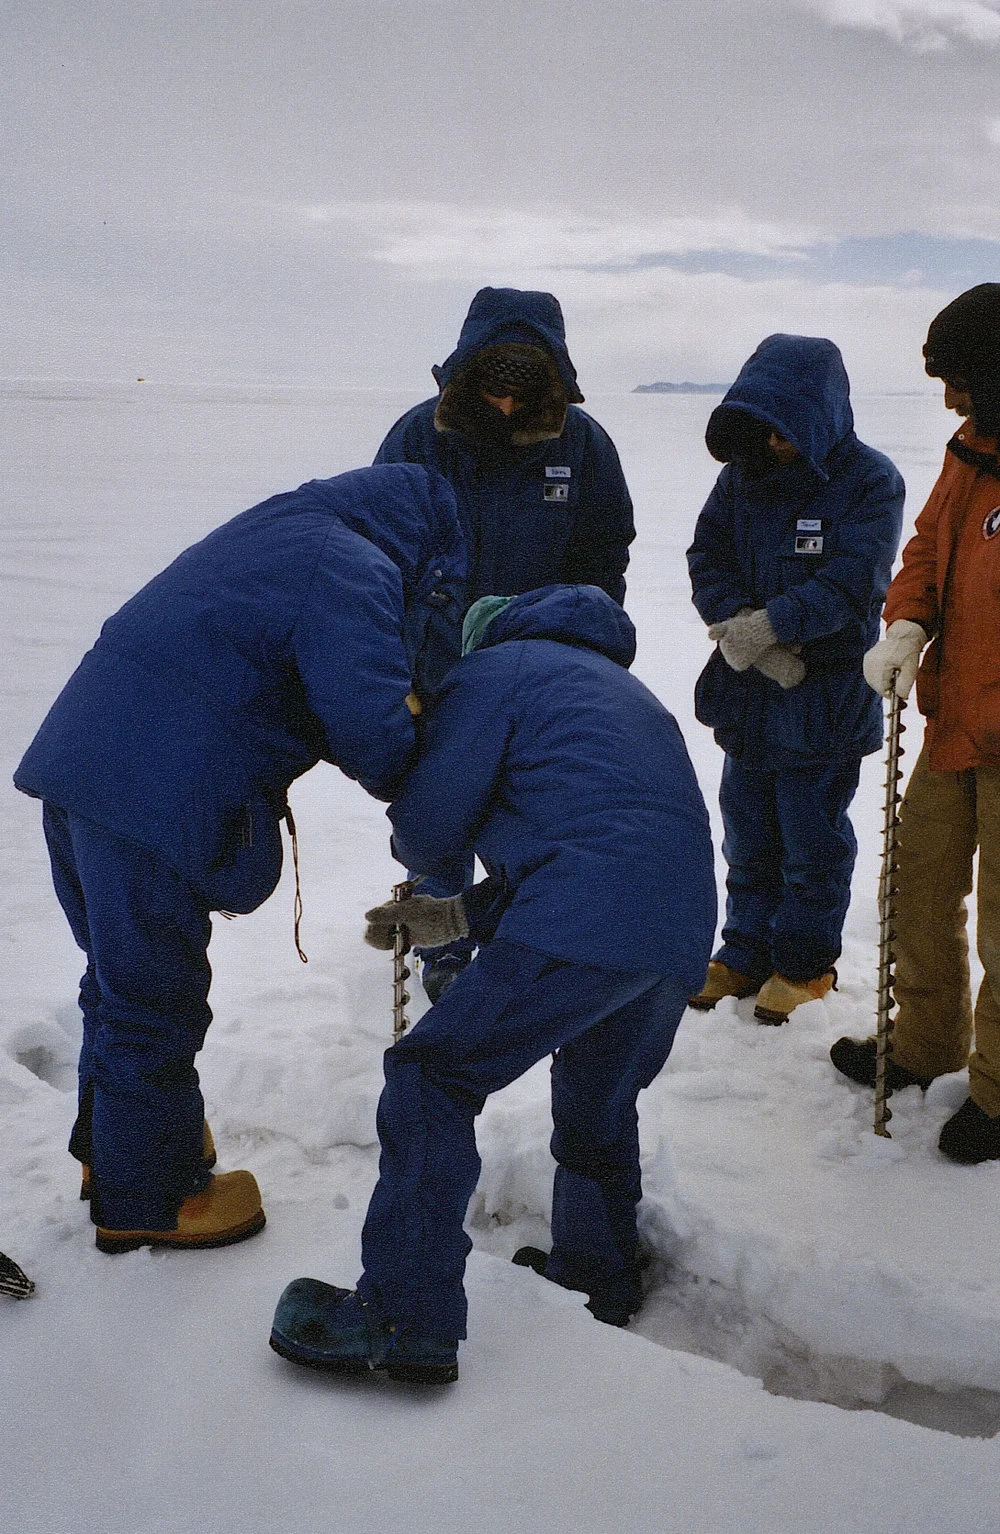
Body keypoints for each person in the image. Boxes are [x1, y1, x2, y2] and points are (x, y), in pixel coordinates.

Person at [268, 584, 716, 1384]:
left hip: (584, 915)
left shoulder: (497, 671)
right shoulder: (627, 695)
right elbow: (595, 832)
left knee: (432, 1076)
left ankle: (402, 1314)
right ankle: (599, 1273)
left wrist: (422, 848)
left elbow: (433, 820)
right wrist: (456, 918)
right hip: (674, 934)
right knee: (596, 1099)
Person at [14, 465, 464, 1252]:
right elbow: (370, 722)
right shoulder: (351, 565)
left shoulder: (278, 530)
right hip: (152, 797)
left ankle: (116, 1151)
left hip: (81, 769)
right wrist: (427, 776)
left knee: (118, 980)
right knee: (152, 995)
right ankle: (146, 1199)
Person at [375, 286, 636, 1003]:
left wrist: (584, 644)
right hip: (434, 667)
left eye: (524, 394)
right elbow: (378, 554)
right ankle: (444, 945)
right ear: (468, 374)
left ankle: (526, 934)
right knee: (437, 808)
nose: (507, 409)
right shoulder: (417, 438)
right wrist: (394, 659)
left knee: (530, 806)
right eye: (494, 391)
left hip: (540, 674)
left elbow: (603, 555)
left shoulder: (583, 447)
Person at [686, 334, 905, 1023]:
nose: (774, 442)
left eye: (786, 429)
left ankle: (806, 965)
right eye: (763, 427)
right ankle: (743, 951)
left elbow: (853, 582)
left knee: (811, 842)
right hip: (748, 692)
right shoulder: (740, 477)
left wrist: (775, 626)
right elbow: (706, 553)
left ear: (821, 416)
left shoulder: (871, 480)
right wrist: (734, 627)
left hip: (825, 696)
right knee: (747, 835)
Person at [830, 285, 1000, 1164]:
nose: (949, 399)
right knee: (919, 889)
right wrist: (907, 620)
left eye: (962, 379)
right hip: (955, 721)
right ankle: (924, 1043)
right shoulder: (972, 452)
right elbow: (930, 548)